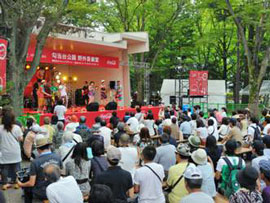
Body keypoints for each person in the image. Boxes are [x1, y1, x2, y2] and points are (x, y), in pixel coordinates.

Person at [18, 137, 62, 203]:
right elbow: (60, 172)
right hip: (56, 188)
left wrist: (21, 184)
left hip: (43, 192)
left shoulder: (35, 162)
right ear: (49, 146)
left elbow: (31, 183)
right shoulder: (57, 157)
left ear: (38, 149)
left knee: (26, 187)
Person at [0, 110, 23, 190]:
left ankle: (5, 184)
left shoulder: (0, 128)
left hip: (5, 151)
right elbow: (20, 139)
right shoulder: (17, 128)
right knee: (17, 168)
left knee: (4, 168)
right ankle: (17, 183)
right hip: (15, 151)